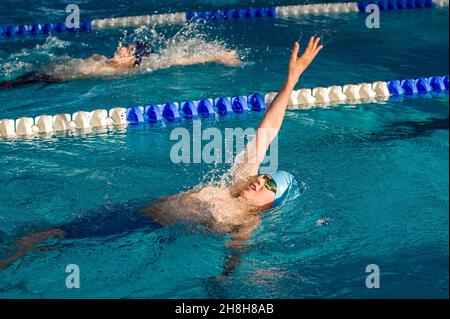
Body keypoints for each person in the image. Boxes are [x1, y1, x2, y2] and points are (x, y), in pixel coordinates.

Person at [0, 37, 323, 274]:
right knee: (46, 234)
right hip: (137, 209)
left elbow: (233, 261)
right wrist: (292, 79)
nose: (260, 179)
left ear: (272, 204)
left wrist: (224, 282)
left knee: (48, 239)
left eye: (269, 184)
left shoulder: (244, 223)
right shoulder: (235, 182)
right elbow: (267, 131)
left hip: (140, 229)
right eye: (264, 175)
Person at [0, 41, 242, 88]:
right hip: (42, 74)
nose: (122, 47)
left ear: (134, 60)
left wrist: (219, 55)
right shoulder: (103, 60)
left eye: (129, 49)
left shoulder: (126, 71)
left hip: (49, 80)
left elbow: (176, 60)